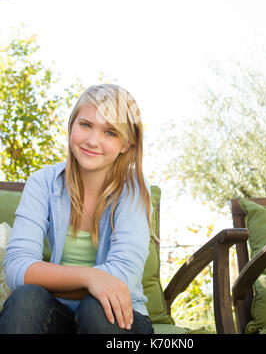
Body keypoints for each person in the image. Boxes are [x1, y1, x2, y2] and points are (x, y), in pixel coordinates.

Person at [0, 84, 154, 334]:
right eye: (85, 125)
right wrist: (90, 278)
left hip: (119, 319)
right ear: (72, 125)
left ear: (126, 144)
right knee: (27, 298)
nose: (93, 141)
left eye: (110, 133)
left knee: (97, 306)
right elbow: (17, 268)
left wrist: (44, 276)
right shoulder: (43, 182)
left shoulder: (133, 188)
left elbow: (122, 277)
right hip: (55, 316)